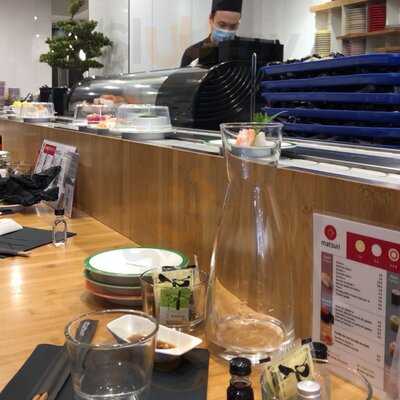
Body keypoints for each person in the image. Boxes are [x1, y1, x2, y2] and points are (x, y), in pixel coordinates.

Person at [180, 0, 243, 68]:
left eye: (233, 26)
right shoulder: (192, 53)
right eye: (222, 25)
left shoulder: (244, 51)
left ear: (238, 24)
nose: (227, 31)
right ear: (211, 19)